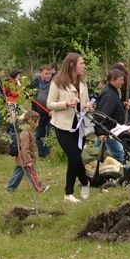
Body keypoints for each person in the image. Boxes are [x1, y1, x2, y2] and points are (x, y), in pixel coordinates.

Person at [47, 53, 92, 203]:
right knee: (74, 157)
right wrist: (66, 104)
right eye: (81, 63)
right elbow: (50, 104)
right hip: (63, 126)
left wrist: (88, 106)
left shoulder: (83, 82)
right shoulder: (58, 82)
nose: (84, 66)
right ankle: (85, 182)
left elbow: (85, 101)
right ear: (72, 64)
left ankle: (68, 193)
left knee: (73, 161)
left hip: (80, 126)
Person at [5, 111, 49, 193]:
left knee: (17, 174)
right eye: (38, 122)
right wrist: (28, 160)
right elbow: (25, 148)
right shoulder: (26, 134)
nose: (38, 124)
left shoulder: (29, 132)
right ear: (33, 122)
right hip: (26, 160)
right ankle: (39, 189)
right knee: (32, 174)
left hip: (22, 159)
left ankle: (10, 188)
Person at [94, 68, 127, 166]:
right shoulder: (109, 94)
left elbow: (112, 108)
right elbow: (104, 114)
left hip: (107, 129)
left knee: (97, 153)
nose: (123, 82)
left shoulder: (112, 91)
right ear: (113, 80)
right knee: (119, 153)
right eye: (120, 80)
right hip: (108, 130)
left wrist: (122, 106)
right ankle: (127, 172)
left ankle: (95, 169)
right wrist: (102, 132)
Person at [29, 64, 54, 158]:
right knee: (39, 134)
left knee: (50, 134)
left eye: (50, 74)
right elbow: (28, 93)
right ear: (40, 73)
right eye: (46, 73)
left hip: (51, 113)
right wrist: (28, 95)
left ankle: (47, 154)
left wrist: (54, 110)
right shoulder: (35, 82)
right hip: (38, 113)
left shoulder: (54, 83)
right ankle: (41, 154)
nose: (48, 76)